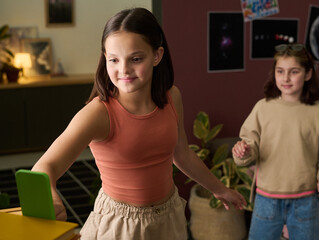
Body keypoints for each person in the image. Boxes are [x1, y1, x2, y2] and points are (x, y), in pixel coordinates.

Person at [32, 7, 246, 240]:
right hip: (121, 227)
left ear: (157, 55)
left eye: (135, 59)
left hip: (168, 217)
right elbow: (44, 167)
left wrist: (220, 189)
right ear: (105, 58)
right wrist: (51, 197)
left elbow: (182, 155)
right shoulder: (97, 113)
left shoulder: (172, 97)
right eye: (113, 59)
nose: (123, 69)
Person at [232, 43, 319, 240]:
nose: (286, 78)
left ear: (307, 74)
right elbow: (249, 145)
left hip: (306, 200)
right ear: (274, 73)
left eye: (294, 71)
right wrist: (244, 152)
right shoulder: (262, 108)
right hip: (266, 199)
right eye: (280, 71)